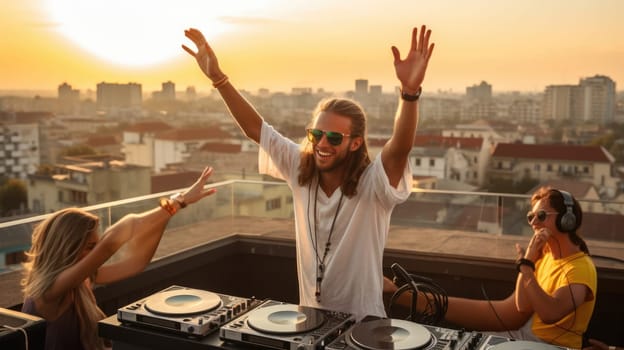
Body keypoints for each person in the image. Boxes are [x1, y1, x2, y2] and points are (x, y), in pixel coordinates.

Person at [182, 25, 434, 320]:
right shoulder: (300, 168)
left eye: (335, 138)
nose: (322, 144)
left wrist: (410, 94)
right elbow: (255, 129)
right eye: (316, 134)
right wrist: (218, 78)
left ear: (355, 143)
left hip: (366, 327)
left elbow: (399, 148)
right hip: (310, 322)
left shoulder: (373, 185)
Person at [21, 166, 217, 350]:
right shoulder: (50, 290)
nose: (96, 253)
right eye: (90, 247)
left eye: (96, 245)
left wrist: (170, 211)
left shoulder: (82, 280)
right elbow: (121, 232)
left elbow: (136, 262)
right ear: (67, 247)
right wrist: (177, 201)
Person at [385, 187, 597, 349]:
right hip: (527, 337)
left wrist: (526, 266)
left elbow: (551, 313)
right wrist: (529, 261)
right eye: (530, 217)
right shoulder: (546, 258)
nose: (533, 223)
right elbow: (522, 306)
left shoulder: (580, 268)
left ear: (566, 220)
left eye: (540, 216)